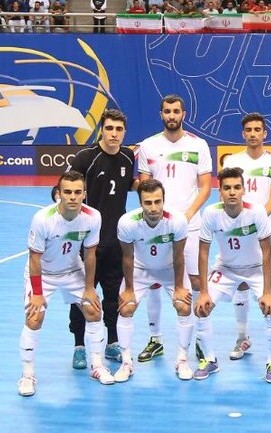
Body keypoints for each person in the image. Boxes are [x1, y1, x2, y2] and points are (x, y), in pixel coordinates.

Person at [18, 171, 113, 397]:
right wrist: (37, 294)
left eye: (77, 192)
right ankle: (27, 375)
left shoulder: (93, 217)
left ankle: (98, 366)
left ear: (84, 194)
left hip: (72, 271)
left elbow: (90, 254)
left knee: (93, 310)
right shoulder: (43, 219)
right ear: (58, 194)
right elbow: (34, 258)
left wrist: (89, 288)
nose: (72, 196)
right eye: (67, 192)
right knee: (34, 317)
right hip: (43, 274)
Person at [137, 94, 212, 363]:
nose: (171, 115)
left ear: (184, 114)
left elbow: (206, 186)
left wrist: (188, 214)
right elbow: (144, 187)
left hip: (190, 226)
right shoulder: (148, 146)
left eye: (176, 111)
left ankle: (201, 341)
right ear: (161, 114)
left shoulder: (199, 145)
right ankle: (155, 339)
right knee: (154, 281)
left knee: (195, 281)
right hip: (155, 226)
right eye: (167, 111)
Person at [193, 167, 271, 383]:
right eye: (227, 188)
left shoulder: (256, 212)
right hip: (226, 269)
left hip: (255, 268)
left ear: (243, 190)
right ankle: (210, 360)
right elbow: (203, 253)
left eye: (236, 187)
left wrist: (267, 292)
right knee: (202, 308)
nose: (232, 192)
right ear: (220, 192)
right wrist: (203, 292)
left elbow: (267, 252)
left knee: (270, 309)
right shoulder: (211, 213)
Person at [67, 109, 136, 371]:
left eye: (119, 129)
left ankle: (112, 342)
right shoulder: (86, 158)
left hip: (117, 240)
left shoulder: (128, 156)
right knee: (82, 295)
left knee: (112, 295)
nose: (114, 134)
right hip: (88, 243)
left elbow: (127, 184)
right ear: (101, 130)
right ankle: (79, 346)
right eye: (109, 128)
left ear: (124, 132)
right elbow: (62, 189)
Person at [222, 113, 271, 362]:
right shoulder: (232, 160)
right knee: (241, 283)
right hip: (238, 235)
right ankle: (242, 338)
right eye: (248, 130)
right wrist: (241, 225)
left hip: (269, 231)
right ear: (243, 134)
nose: (253, 134)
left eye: (257, 129)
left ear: (264, 133)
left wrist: (254, 222)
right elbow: (226, 195)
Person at [114, 180, 194, 382]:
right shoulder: (127, 222)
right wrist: (129, 289)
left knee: (184, 306)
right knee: (126, 308)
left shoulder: (177, 221)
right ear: (140, 203)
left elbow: (179, 256)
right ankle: (126, 363)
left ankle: (182, 360)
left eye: (158, 202)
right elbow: (127, 257)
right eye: (148, 203)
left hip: (169, 269)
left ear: (164, 201)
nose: (153, 208)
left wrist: (179, 287)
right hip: (140, 270)